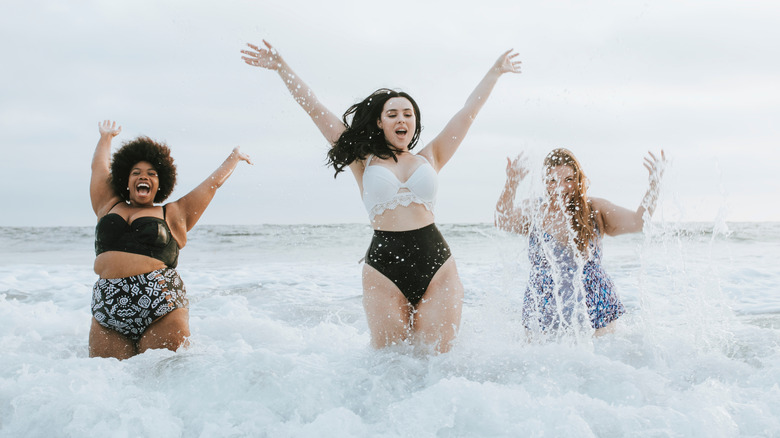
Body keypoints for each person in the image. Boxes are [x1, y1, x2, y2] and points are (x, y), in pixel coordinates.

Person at [241, 40, 521, 353]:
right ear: (379, 121)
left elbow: (467, 113)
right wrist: (281, 67)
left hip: (437, 263)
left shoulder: (432, 157)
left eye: (408, 113)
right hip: (383, 266)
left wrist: (495, 72)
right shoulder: (363, 161)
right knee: (390, 366)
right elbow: (315, 109)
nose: (401, 119)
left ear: (414, 121)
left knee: (440, 362)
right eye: (392, 114)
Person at [89, 120, 252, 359]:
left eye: (151, 174)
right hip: (109, 306)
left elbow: (212, 185)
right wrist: (106, 138)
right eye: (136, 173)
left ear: (159, 183)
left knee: (165, 379)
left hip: (161, 305)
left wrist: (234, 157)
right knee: (105, 382)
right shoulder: (108, 204)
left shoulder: (174, 213)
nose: (143, 177)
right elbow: (99, 169)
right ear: (126, 179)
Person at [495, 148, 665, 335]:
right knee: (539, 361)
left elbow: (638, 222)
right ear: (545, 182)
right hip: (543, 304)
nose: (561, 187)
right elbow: (502, 220)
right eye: (553, 181)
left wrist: (654, 184)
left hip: (593, 301)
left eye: (568, 179)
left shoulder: (595, 208)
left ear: (578, 179)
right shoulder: (535, 210)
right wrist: (511, 183)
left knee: (599, 361)